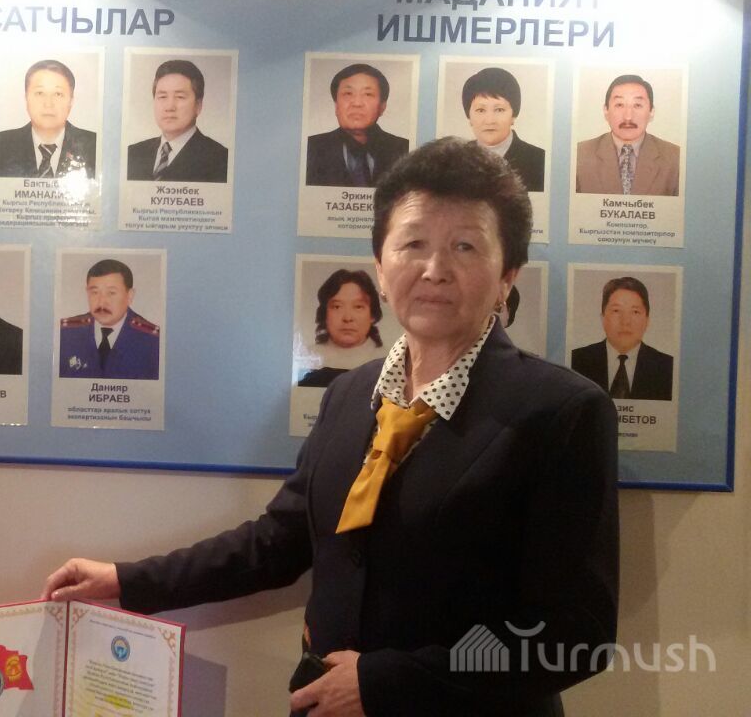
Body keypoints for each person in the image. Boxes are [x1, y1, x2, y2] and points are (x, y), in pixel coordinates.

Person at [44, 138, 618, 717]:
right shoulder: (350, 395)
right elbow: (279, 541)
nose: (434, 270)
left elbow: (576, 634)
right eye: (413, 243)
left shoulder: (561, 412)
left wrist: (386, 683)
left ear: (507, 276)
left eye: (465, 246)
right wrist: (127, 580)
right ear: (380, 267)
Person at [305, 63, 408, 188]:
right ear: (336, 106)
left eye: (368, 94)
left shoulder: (405, 150)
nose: (357, 103)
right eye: (348, 94)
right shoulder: (310, 148)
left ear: (382, 107)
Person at [575, 74, 680, 196]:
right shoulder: (579, 155)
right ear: (606, 110)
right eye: (619, 105)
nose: (628, 117)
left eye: (637, 105)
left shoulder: (676, 158)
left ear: (651, 112)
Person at [571, 276, 673, 401]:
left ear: (647, 320)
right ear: (603, 317)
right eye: (616, 311)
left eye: (635, 312)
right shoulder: (576, 361)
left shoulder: (667, 367)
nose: (625, 321)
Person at [125, 59, 228, 183]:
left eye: (180, 97)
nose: (169, 107)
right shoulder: (133, 154)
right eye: (162, 96)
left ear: (198, 105)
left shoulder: (220, 159)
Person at [58, 259, 159, 380]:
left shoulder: (153, 341)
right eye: (94, 292)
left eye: (111, 293)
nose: (101, 302)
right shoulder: (65, 334)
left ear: (130, 295)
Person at [0, 59, 95, 178]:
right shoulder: (0, 145)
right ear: (26, 98)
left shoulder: (93, 146)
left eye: (58, 94)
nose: (48, 104)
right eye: (40, 93)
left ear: (71, 101)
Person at [297, 269, 385, 389]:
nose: (347, 318)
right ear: (324, 313)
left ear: (372, 315)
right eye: (337, 307)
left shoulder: (388, 362)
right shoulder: (306, 360)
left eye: (358, 307)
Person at [460, 67, 544, 191]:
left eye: (499, 110)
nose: (490, 120)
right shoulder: (455, 161)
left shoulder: (539, 160)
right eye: (480, 110)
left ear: (513, 115)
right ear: (469, 117)